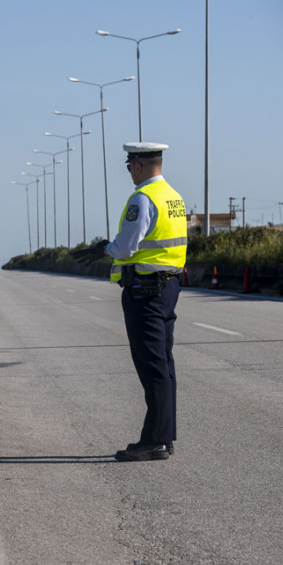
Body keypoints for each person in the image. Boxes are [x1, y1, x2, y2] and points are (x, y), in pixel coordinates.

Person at [73, 142, 187, 461]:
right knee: (164, 365)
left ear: (137, 166)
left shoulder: (143, 197)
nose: (128, 174)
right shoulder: (173, 196)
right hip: (168, 286)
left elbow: (126, 247)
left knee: (152, 367)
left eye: (128, 167)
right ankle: (164, 437)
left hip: (145, 289)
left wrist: (104, 248)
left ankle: (154, 441)